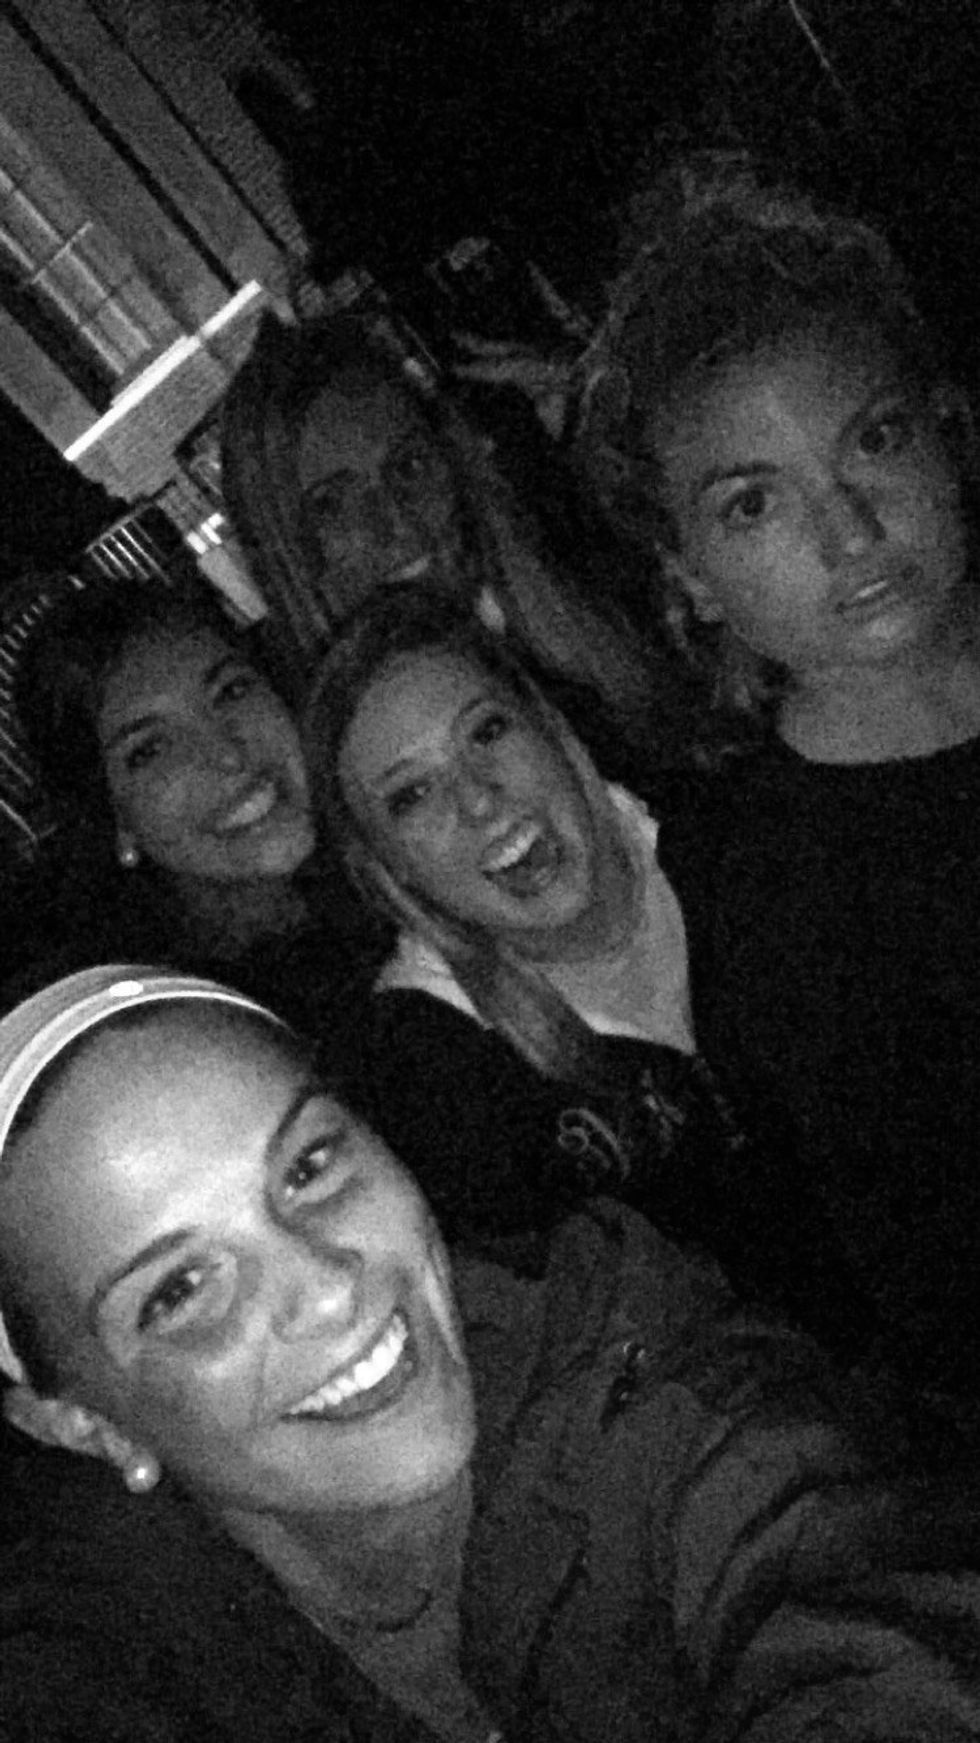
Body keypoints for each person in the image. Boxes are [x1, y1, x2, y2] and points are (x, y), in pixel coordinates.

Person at [9, 965, 980, 1738]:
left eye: (309, 1165)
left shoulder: (644, 1375)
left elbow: (860, 1586)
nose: (330, 1286)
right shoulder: (97, 1658)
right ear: (84, 1423)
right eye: (180, 1290)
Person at [571, 148, 980, 1409]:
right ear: (686, 575)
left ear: (945, 429)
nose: (847, 531)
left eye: (873, 439)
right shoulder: (773, 902)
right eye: (754, 504)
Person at [301, 582, 865, 1350]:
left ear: (549, 725)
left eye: (487, 731)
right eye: (413, 794)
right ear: (390, 867)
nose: (478, 799)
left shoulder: (742, 831)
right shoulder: (435, 1080)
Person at [220, 308, 679, 774]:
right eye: (333, 506)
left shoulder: (601, 600)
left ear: (452, 455)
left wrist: (605, 419)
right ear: (283, 551)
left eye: (409, 466)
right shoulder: (332, 780)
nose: (397, 520)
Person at [13, 580, 385, 1030]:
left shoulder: (402, 855)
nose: (227, 755)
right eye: (152, 749)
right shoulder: (176, 1029)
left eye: (231, 691)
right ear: (114, 817)